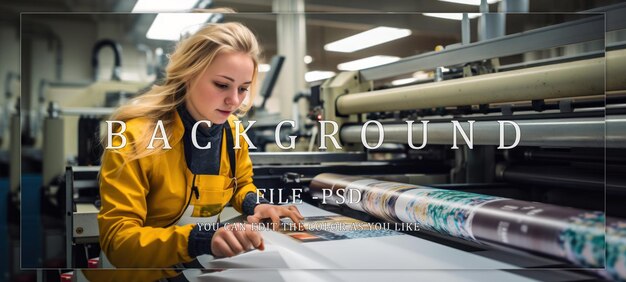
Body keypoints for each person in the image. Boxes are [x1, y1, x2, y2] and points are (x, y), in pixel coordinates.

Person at [86, 21, 304, 281]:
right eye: (222, 85)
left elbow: (241, 183)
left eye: (243, 88)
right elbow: (118, 241)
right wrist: (201, 239)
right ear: (189, 75)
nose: (234, 101)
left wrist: (257, 204)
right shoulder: (135, 138)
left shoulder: (232, 130)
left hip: (190, 268)